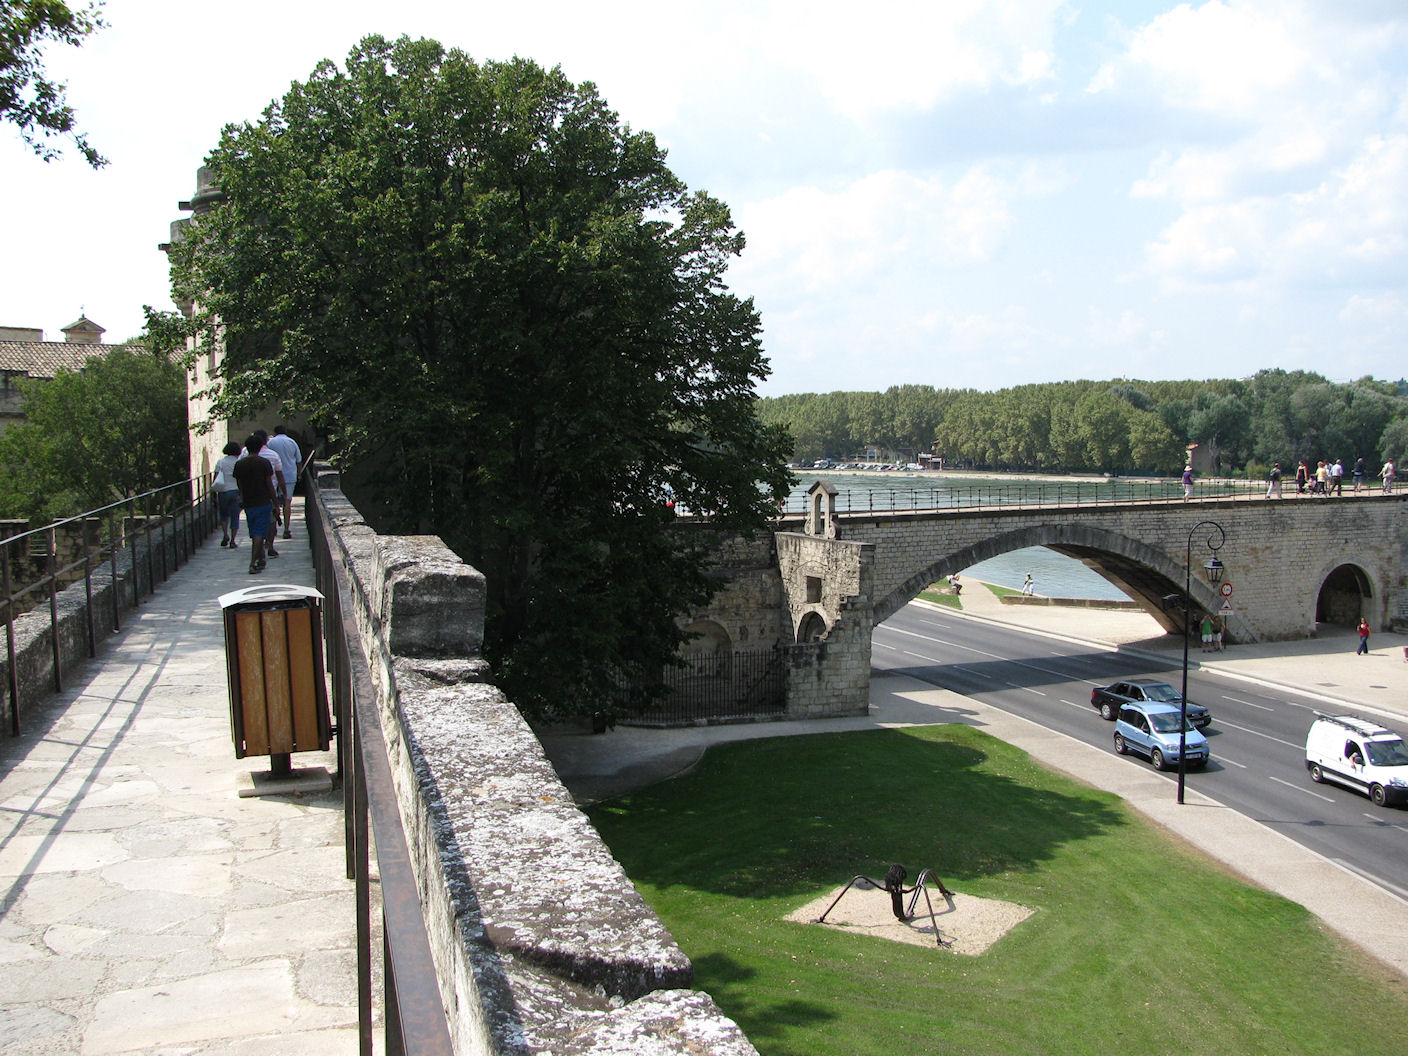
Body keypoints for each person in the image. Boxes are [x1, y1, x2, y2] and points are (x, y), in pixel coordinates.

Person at [233, 433, 277, 574]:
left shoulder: (239, 464)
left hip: (248, 502)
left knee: (254, 531)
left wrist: (242, 497)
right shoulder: (264, 463)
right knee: (259, 532)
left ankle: (261, 558)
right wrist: (275, 502)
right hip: (263, 501)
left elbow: (239, 484)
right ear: (260, 447)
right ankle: (252, 563)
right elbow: (269, 484)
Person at [241, 430, 286, 558]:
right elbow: (276, 477)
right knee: (270, 522)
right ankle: (268, 546)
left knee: (255, 526)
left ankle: (259, 551)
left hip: (249, 497)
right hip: (267, 496)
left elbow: (239, 479)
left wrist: (241, 496)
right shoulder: (272, 456)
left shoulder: (243, 458)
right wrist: (281, 496)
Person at [265, 425, 303, 540]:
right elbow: (298, 460)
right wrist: (299, 474)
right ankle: (286, 529)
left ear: (275, 432)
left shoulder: (271, 442)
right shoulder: (292, 442)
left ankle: (273, 527)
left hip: (274, 475)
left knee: (272, 501)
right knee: (287, 502)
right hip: (290, 475)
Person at [213, 441, 243, 548]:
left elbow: (216, 478)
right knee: (235, 516)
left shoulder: (220, 462)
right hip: (235, 491)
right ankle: (233, 540)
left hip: (223, 491)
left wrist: (214, 493)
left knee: (223, 515)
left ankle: (225, 534)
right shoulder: (239, 462)